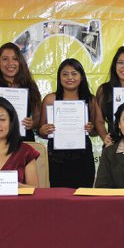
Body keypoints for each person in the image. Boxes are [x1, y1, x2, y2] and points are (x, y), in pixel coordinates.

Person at [37, 58, 96, 188]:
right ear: (59, 77)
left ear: (81, 77)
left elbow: (95, 131)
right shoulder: (50, 99)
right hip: (57, 157)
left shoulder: (90, 100)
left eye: (74, 73)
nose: (69, 77)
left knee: (83, 196)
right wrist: (44, 130)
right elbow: (40, 131)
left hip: (83, 156)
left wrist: (91, 128)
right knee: (58, 198)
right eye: (65, 74)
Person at [0, 42, 41, 142]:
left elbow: (37, 116)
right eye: (5, 59)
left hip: (24, 142)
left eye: (15, 59)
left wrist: (32, 123)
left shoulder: (29, 86)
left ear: (20, 62)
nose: (10, 63)